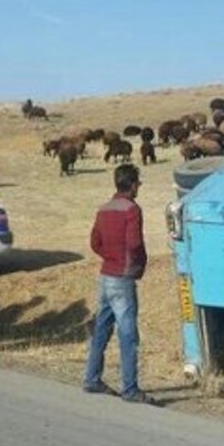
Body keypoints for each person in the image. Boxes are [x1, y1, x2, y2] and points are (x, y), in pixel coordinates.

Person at [82, 163, 158, 405]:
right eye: (138, 183)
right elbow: (134, 243)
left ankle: (92, 377)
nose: (140, 187)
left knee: (102, 328)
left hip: (106, 275)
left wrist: (109, 256)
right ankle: (130, 387)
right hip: (123, 278)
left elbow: (95, 242)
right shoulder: (132, 210)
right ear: (133, 184)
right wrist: (134, 263)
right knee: (128, 333)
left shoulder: (104, 209)